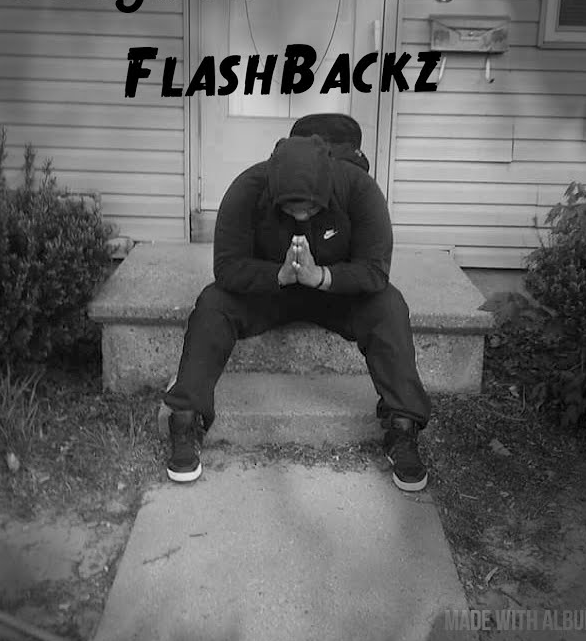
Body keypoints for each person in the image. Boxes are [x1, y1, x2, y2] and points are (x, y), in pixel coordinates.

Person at [163, 114, 433, 492]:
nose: (301, 215)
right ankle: (186, 417)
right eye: (291, 208)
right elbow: (227, 268)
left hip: (335, 295)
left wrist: (321, 276)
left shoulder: (359, 189)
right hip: (269, 292)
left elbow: (375, 271)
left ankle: (402, 427)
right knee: (213, 302)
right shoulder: (247, 188)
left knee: (389, 304)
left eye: (310, 208)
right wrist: (278, 276)